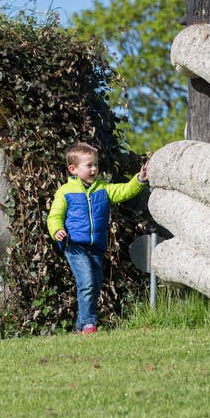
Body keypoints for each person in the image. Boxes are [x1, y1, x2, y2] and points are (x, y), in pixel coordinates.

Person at [47, 142, 149, 334]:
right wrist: (57, 230)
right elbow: (54, 216)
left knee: (94, 284)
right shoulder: (65, 192)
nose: (94, 169)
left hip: (96, 247)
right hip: (75, 246)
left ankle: (81, 326)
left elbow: (123, 191)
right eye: (89, 165)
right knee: (87, 282)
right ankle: (89, 324)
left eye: (95, 165)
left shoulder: (102, 189)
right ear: (73, 169)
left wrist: (140, 180)